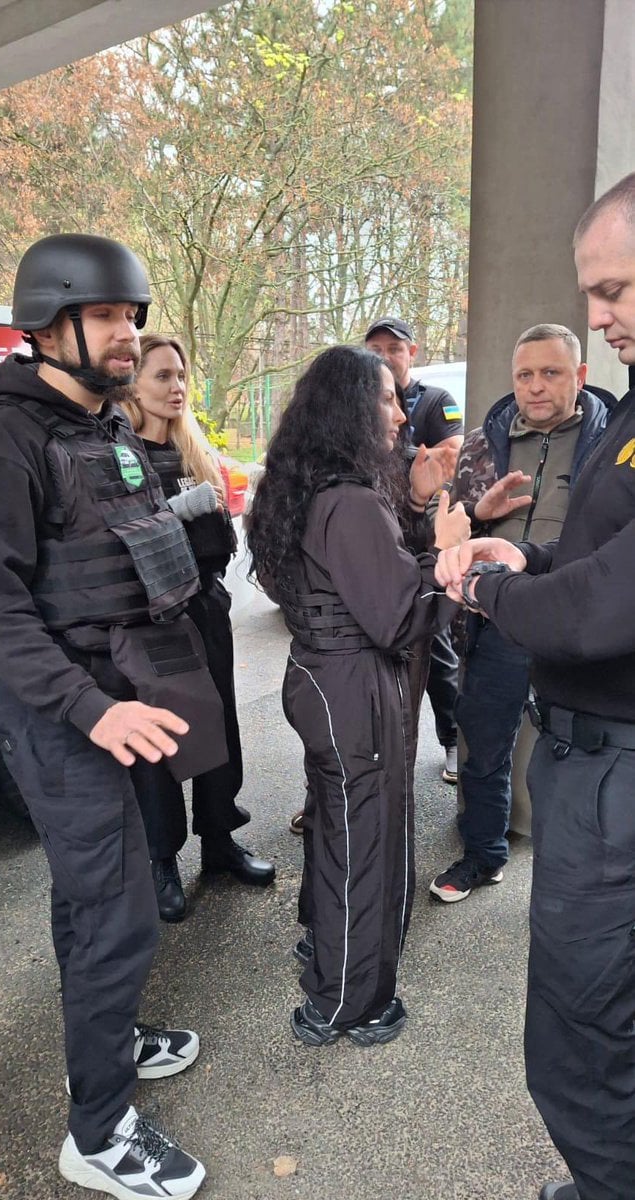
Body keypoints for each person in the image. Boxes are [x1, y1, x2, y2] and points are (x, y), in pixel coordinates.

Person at [0, 233, 210, 1200]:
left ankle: (104, 1042)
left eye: (131, 317)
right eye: (107, 317)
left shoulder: (100, 425)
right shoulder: (4, 437)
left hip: (123, 701)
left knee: (96, 899)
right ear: (50, 323)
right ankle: (98, 1135)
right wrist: (89, 709)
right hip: (67, 720)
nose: (126, 335)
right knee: (116, 911)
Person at [435, 172, 635, 1200]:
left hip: (609, 744)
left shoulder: (605, 416)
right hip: (559, 690)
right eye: (593, 296)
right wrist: (499, 546)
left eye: (617, 293)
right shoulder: (503, 436)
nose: (605, 321)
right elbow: (582, 555)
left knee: (585, 1014)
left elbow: (614, 596)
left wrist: (498, 586)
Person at [248, 345, 469, 1046]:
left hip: (322, 680)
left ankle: (323, 950)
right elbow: (396, 614)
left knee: (335, 830)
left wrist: (414, 507)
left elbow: (352, 579)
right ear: (347, 408)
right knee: (366, 845)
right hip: (354, 694)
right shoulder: (345, 498)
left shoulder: (310, 489)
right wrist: (452, 556)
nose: (399, 411)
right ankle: (348, 1002)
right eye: (383, 399)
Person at [430, 323, 611, 903]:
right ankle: (483, 854)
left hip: (579, 618)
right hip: (501, 618)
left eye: (551, 373)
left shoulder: (611, 444)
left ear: (579, 376)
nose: (535, 387)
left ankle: (588, 874)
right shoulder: (484, 441)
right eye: (525, 374)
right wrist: (479, 512)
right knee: (482, 741)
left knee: (587, 750)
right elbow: (452, 530)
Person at [121, 333, 274, 920]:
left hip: (206, 608)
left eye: (181, 375)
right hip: (153, 620)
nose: (177, 386)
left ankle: (219, 840)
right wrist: (177, 511)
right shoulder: (120, 457)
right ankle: (163, 860)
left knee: (219, 728)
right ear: (132, 384)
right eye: (162, 376)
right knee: (159, 743)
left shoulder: (192, 452)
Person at [365, 317, 463, 783]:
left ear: (412, 352)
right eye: (375, 347)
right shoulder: (355, 406)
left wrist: (421, 486)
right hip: (375, 545)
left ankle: (450, 741)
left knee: (436, 653)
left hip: (418, 533)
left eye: (394, 348)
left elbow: (450, 453)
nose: (385, 355)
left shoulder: (434, 401)